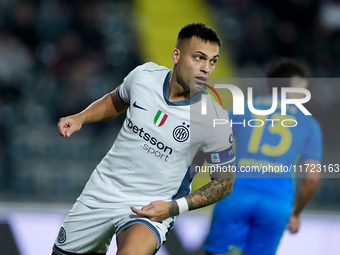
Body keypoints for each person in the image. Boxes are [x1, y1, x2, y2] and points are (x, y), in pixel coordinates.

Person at [52, 23, 235, 255]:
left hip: (150, 208)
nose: (206, 68)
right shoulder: (144, 76)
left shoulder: (214, 117)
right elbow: (115, 100)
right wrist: (81, 117)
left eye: (213, 61)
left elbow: (225, 181)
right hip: (101, 192)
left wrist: (173, 207)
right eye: (199, 58)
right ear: (176, 55)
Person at [203, 58, 322, 255]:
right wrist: (296, 213)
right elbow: (311, 179)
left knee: (212, 253)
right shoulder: (310, 124)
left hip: (236, 194)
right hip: (277, 203)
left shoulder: (243, 109)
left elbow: (206, 139)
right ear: (294, 86)